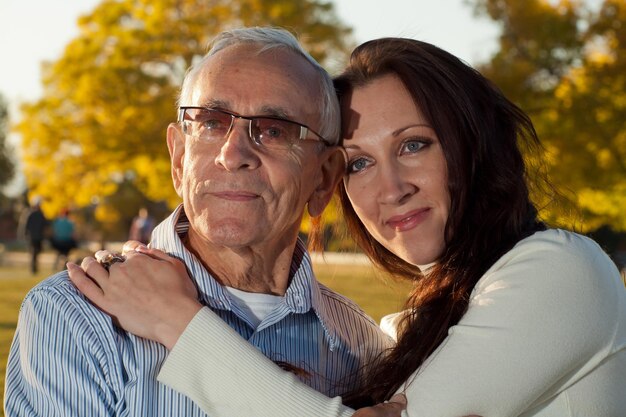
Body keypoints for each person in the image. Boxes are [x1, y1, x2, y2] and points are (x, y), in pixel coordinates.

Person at [66, 37, 626, 417]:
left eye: (414, 145)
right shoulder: (396, 331)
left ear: (473, 146)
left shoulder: (563, 270)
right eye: (359, 162)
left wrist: (177, 321)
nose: (390, 187)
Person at [4, 28, 392, 417]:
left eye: (274, 130)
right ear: (178, 158)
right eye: (210, 123)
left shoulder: (364, 349)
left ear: (323, 178)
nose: (233, 153)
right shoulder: (74, 317)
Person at [23, 196, 48, 275]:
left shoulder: (41, 214)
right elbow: (25, 225)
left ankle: (34, 268)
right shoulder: (30, 213)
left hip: (39, 237)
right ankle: (33, 269)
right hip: (32, 237)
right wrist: (25, 234)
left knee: (37, 252)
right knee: (34, 252)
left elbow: (45, 225)